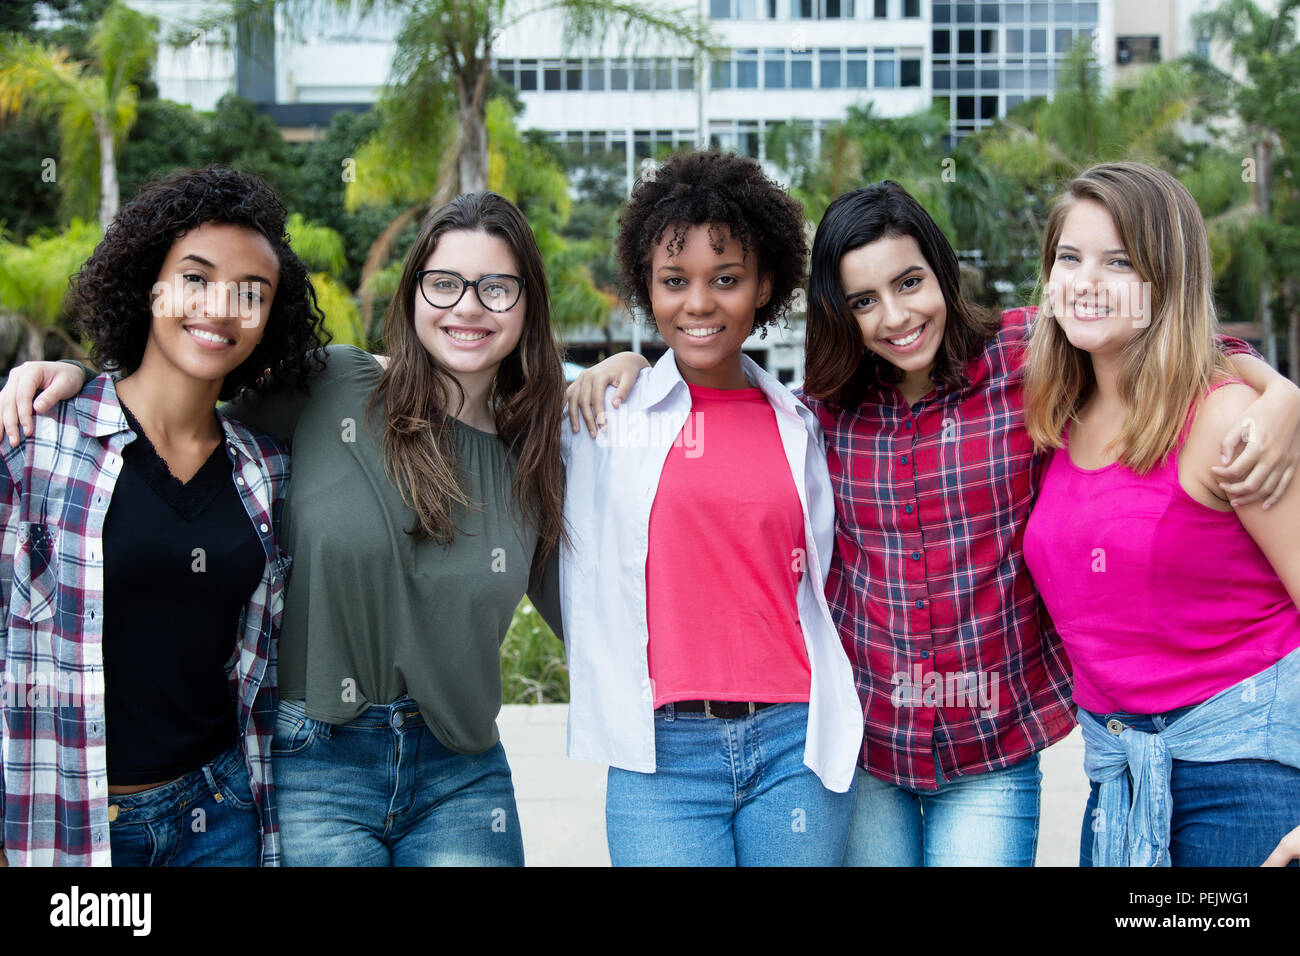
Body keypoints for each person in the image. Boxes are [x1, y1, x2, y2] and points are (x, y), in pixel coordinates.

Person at [567, 180, 1300, 866]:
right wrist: (627, 364)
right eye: (863, 301)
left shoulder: (1023, 363)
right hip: (875, 747)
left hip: (994, 747)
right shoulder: (819, 413)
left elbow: (1137, 336)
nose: (895, 316)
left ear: (941, 273)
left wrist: (1270, 387)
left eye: (909, 283)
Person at [0, 191, 567, 866]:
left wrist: (626, 373)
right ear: (413, 292)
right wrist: (78, 381)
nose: (467, 306)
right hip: (315, 758)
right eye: (444, 283)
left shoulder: (543, 449)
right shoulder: (335, 385)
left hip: (459, 771)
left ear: (528, 301)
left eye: (496, 287)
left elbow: (599, 606)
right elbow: (176, 406)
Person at [0, 166, 327, 866]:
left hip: (223, 815)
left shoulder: (265, 469)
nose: (220, 307)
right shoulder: (37, 446)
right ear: (149, 284)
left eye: (253, 293)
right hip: (67, 827)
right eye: (196, 277)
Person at [559, 150, 862, 866]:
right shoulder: (606, 419)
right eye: (674, 281)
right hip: (660, 757)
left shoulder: (805, 425)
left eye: (726, 280)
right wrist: (616, 368)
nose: (699, 304)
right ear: (647, 288)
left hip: (795, 743)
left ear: (763, 287)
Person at [1021, 161, 1300, 867]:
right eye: (1068, 258)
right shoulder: (1056, 419)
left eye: (1118, 262)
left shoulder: (1226, 418)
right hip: (1118, 779)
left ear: (1164, 280)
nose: (1085, 281)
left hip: (1243, 780)